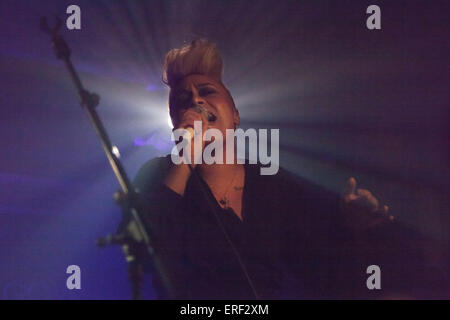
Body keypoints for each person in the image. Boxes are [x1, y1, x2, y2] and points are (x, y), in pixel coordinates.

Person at [127, 39, 446, 299]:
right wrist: (186, 153)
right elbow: (152, 245)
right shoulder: (157, 175)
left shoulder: (272, 182)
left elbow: (320, 271)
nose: (196, 100)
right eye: (183, 99)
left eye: (207, 91)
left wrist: (351, 226)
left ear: (235, 114)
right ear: (174, 122)